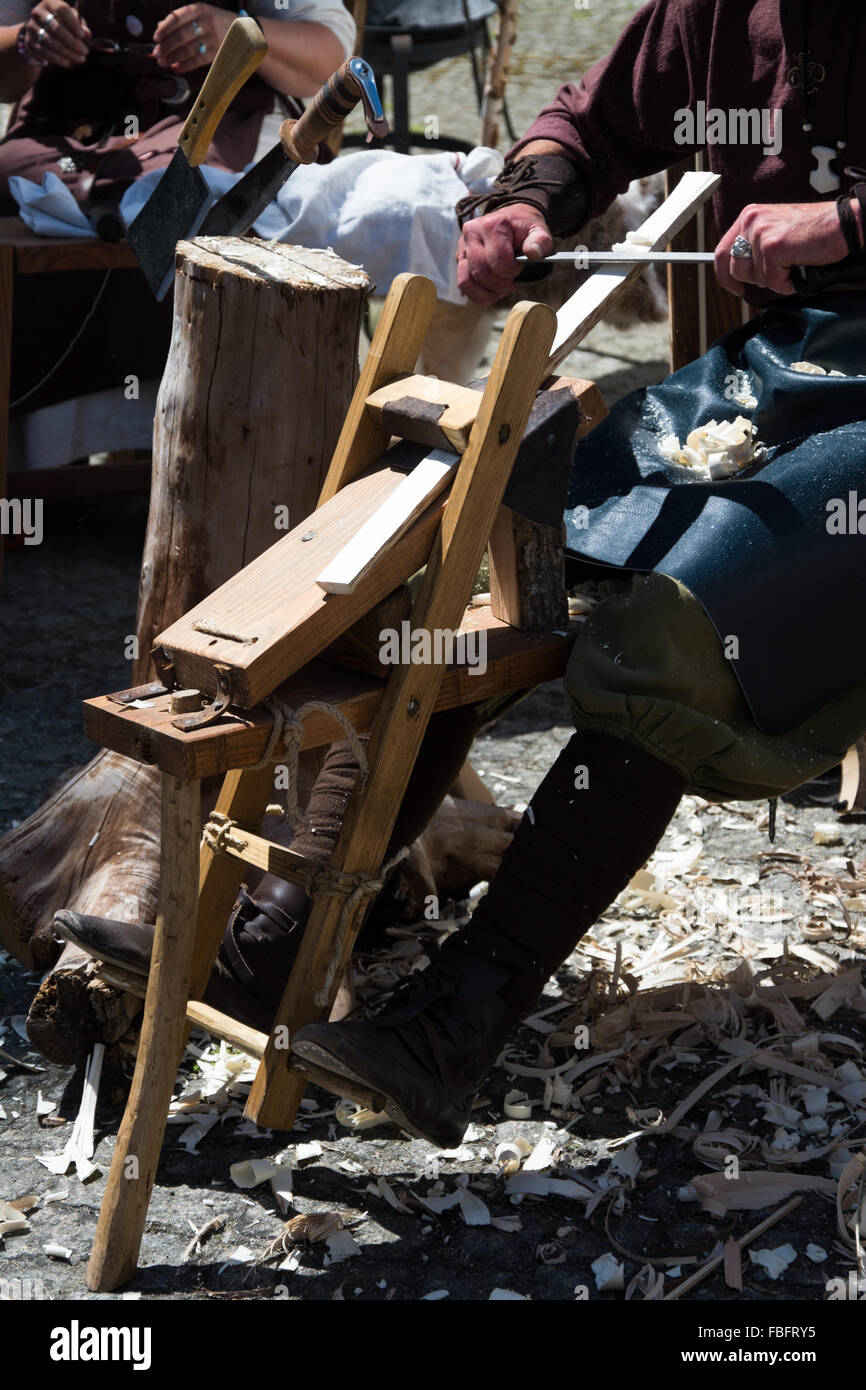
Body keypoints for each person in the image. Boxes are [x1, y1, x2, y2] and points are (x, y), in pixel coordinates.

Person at [282, 0, 866, 1147]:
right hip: (783, 371)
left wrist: (842, 223)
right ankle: (283, 929)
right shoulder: (719, 12)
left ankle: (464, 1012)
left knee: (668, 627)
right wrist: (524, 204)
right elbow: (582, 124)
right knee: (489, 547)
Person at [0, 0, 355, 416]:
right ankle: (36, 445)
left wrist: (236, 32)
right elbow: (6, 77)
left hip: (204, 123)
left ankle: (179, 418)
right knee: (16, 190)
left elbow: (329, 59)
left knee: (169, 198)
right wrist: (30, 40)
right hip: (67, 135)